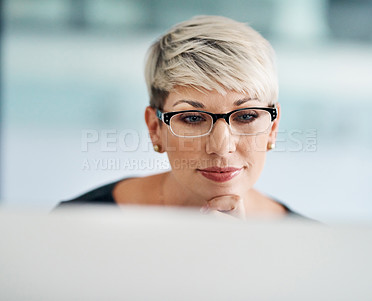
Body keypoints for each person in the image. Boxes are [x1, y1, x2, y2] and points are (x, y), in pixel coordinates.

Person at [56, 15, 308, 220]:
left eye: (247, 116)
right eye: (192, 119)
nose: (221, 148)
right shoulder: (75, 223)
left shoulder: (310, 244)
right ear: (156, 128)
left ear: (272, 127)